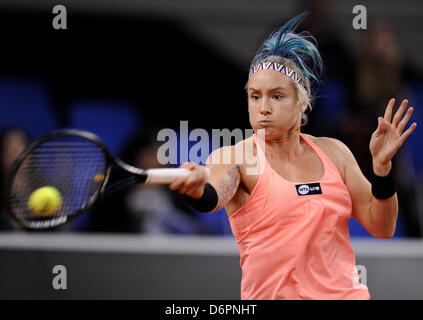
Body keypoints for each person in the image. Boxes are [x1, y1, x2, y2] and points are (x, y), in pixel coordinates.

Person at [167, 12, 417, 300]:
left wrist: (382, 168)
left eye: (276, 96)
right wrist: (197, 189)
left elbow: (383, 227)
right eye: (255, 96)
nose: (263, 107)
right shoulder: (235, 157)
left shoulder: (334, 153)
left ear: (301, 102)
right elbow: (211, 196)